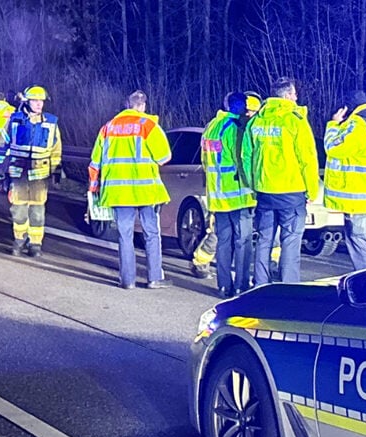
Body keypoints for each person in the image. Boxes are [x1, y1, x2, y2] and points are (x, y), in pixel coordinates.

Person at [88, 90, 173, 289]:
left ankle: (128, 280)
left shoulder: (108, 128)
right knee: (151, 233)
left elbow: (95, 162)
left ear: (127, 104)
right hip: (145, 191)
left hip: (118, 191)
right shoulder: (148, 125)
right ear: (143, 105)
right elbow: (164, 157)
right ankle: (154, 278)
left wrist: (94, 188)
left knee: (124, 235)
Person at [241, 77, 319, 285]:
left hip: (265, 192)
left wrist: (253, 184)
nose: (296, 98)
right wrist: (312, 190)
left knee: (265, 241)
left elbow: (246, 156)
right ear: (287, 96)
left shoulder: (257, 121)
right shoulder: (295, 120)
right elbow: (307, 159)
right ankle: (287, 288)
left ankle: (259, 285)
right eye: (294, 94)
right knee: (290, 243)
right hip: (291, 192)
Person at [190, 91, 262, 283]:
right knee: (243, 243)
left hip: (218, 195)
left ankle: (223, 285)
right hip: (238, 195)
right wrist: (255, 187)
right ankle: (241, 284)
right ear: (241, 108)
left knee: (222, 242)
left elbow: (206, 162)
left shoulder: (211, 126)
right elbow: (243, 162)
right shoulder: (235, 129)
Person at [323, 89, 366, 271]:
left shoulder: (356, 126)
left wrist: (333, 124)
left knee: (359, 243)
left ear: (347, 107)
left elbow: (333, 148)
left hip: (357, 199)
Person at [0, 85, 62, 257]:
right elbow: (1, 146)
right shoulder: (14, 121)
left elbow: (56, 151)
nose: (39, 104)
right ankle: (19, 240)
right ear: (27, 101)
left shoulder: (51, 123)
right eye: (35, 101)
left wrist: (56, 174)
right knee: (18, 210)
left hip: (40, 175)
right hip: (18, 173)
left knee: (37, 212)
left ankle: (35, 244)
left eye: (41, 101)